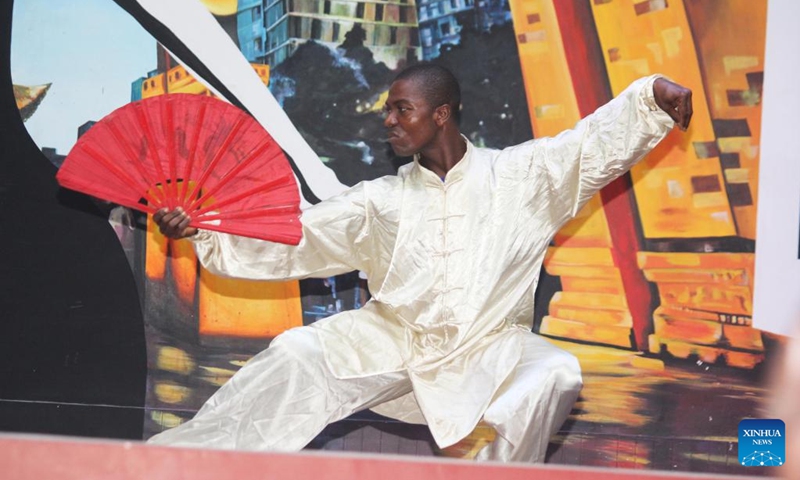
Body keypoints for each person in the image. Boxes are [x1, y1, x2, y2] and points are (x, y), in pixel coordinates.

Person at [147, 64, 693, 462]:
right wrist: (204, 232)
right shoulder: (378, 199)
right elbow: (297, 234)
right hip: (391, 336)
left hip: (488, 343)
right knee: (297, 351)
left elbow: (588, 147)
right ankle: (172, 469)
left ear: (441, 113)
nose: (388, 120)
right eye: (387, 109)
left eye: (399, 109)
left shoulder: (522, 178)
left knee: (554, 373)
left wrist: (649, 98)